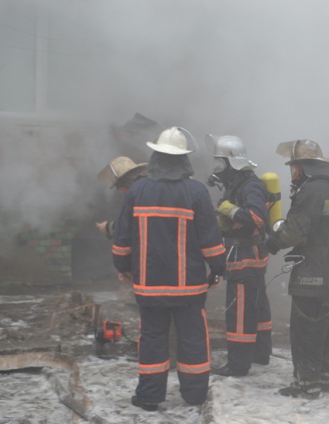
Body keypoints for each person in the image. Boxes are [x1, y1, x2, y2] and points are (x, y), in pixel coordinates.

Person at [112, 127, 227, 411]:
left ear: (155, 156)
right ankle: (195, 395)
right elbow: (211, 241)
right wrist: (217, 270)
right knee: (193, 339)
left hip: (149, 287)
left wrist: (124, 268)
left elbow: (122, 240)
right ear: (185, 159)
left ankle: (149, 396)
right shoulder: (197, 192)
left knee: (152, 339)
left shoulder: (138, 191)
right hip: (189, 287)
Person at [266, 139, 329, 399]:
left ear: (303, 168)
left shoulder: (311, 190)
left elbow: (296, 230)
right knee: (328, 328)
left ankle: (307, 385)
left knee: (306, 331)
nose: (292, 174)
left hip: (313, 277)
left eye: (293, 168)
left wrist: (272, 242)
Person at [206, 134, 273, 377]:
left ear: (230, 162)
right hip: (249, 258)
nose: (217, 169)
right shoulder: (239, 183)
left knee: (241, 311)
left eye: (220, 163)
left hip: (245, 258)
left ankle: (238, 365)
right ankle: (261, 354)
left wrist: (228, 209)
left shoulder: (250, 185)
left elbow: (256, 217)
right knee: (258, 309)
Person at [96, 156, 148, 239]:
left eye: (118, 185)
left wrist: (108, 227)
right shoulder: (143, 188)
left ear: (125, 179)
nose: (118, 189)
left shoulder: (139, 192)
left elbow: (131, 226)